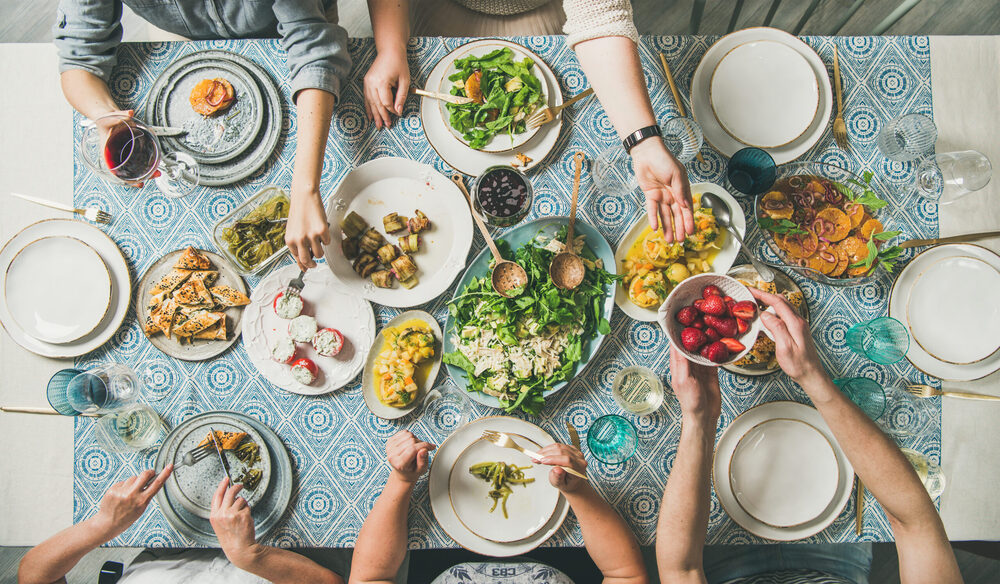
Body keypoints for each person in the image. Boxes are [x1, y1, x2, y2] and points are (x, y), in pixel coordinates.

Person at [655, 289, 964, 584]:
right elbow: (916, 523)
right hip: (838, 561)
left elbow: (681, 570)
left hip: (725, 561)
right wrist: (811, 376)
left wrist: (700, 418)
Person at [52, 0, 351, 271]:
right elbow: (78, 57)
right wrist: (107, 115)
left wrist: (305, 190)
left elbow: (314, 53)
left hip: (297, 30)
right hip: (185, 35)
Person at [363, 0, 695, 242]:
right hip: (435, 14)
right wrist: (390, 48)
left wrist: (643, 141)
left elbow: (599, 15)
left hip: (548, 16)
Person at [350, 430, 648, 583]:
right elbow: (626, 575)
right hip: (573, 560)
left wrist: (402, 481)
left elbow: (370, 577)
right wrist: (579, 491)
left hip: (436, 561)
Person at [18, 466, 342, 584]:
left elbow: (34, 575)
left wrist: (103, 524)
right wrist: (249, 555)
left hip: (164, 544)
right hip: (281, 551)